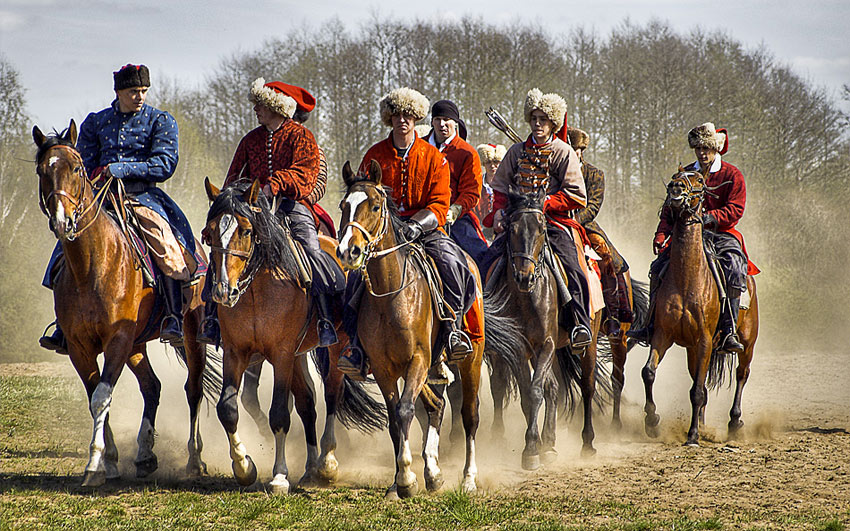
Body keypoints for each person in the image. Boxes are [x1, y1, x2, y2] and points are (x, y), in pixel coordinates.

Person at [40, 64, 194, 352]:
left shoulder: (160, 121)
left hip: (143, 198)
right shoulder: (95, 122)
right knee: (68, 244)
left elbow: (164, 164)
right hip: (99, 199)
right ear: (119, 92)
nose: (140, 97)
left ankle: (173, 317)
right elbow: (81, 164)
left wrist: (121, 168)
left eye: (143, 91)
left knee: (166, 248)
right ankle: (63, 323)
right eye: (134, 91)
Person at [337, 87, 478, 381]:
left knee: (454, 265)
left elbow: (441, 202)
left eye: (409, 115)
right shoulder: (374, 154)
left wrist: (417, 225)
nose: (403, 120)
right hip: (382, 233)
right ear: (390, 118)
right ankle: (356, 348)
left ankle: (452, 333)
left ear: (416, 118)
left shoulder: (432, 156)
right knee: (352, 280)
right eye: (397, 114)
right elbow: (363, 196)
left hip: (424, 229)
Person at [202, 78, 344, 348]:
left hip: (292, 207)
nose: (256, 109)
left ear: (276, 107)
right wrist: (228, 203)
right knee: (223, 251)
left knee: (311, 252)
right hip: (253, 210)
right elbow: (235, 176)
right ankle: (212, 320)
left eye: (261, 105)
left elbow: (307, 174)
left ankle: (325, 321)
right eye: (256, 105)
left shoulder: (301, 137)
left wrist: (276, 184)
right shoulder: (250, 139)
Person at [628, 122, 756, 354]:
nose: (702, 153)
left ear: (716, 148)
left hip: (721, 234)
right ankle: (649, 325)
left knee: (736, 267)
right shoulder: (684, 175)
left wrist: (708, 218)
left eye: (706, 148)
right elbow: (669, 210)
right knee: (658, 268)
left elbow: (736, 209)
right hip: (686, 236)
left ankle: (728, 330)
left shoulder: (732, 174)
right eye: (698, 148)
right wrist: (661, 234)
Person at [481, 88, 592, 349]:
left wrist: (547, 202)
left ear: (552, 123)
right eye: (534, 119)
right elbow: (500, 189)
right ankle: (483, 323)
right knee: (487, 262)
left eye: (543, 120)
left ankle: (579, 324)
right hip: (518, 222)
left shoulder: (563, 152)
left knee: (574, 270)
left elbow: (577, 196)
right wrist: (498, 211)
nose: (538, 124)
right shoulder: (516, 152)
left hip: (553, 223)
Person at [568, 127, 633, 337]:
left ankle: (613, 315)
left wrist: (575, 219)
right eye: (569, 148)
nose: (573, 152)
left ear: (581, 151)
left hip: (584, 224)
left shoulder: (595, 174)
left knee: (608, 258)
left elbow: (593, 206)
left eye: (576, 149)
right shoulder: (556, 169)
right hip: (557, 221)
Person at [422, 99, 489, 267]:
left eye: (447, 120)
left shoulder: (467, 153)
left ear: (456, 123)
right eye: (437, 119)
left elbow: (472, 192)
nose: (442, 124)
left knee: (480, 255)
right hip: (421, 215)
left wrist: (455, 209)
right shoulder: (419, 147)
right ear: (432, 121)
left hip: (455, 218)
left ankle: (485, 292)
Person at [473, 143, 506, 242]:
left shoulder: (508, 186)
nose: (492, 166)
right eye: (488, 162)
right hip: (479, 233)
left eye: (496, 162)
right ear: (483, 163)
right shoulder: (476, 185)